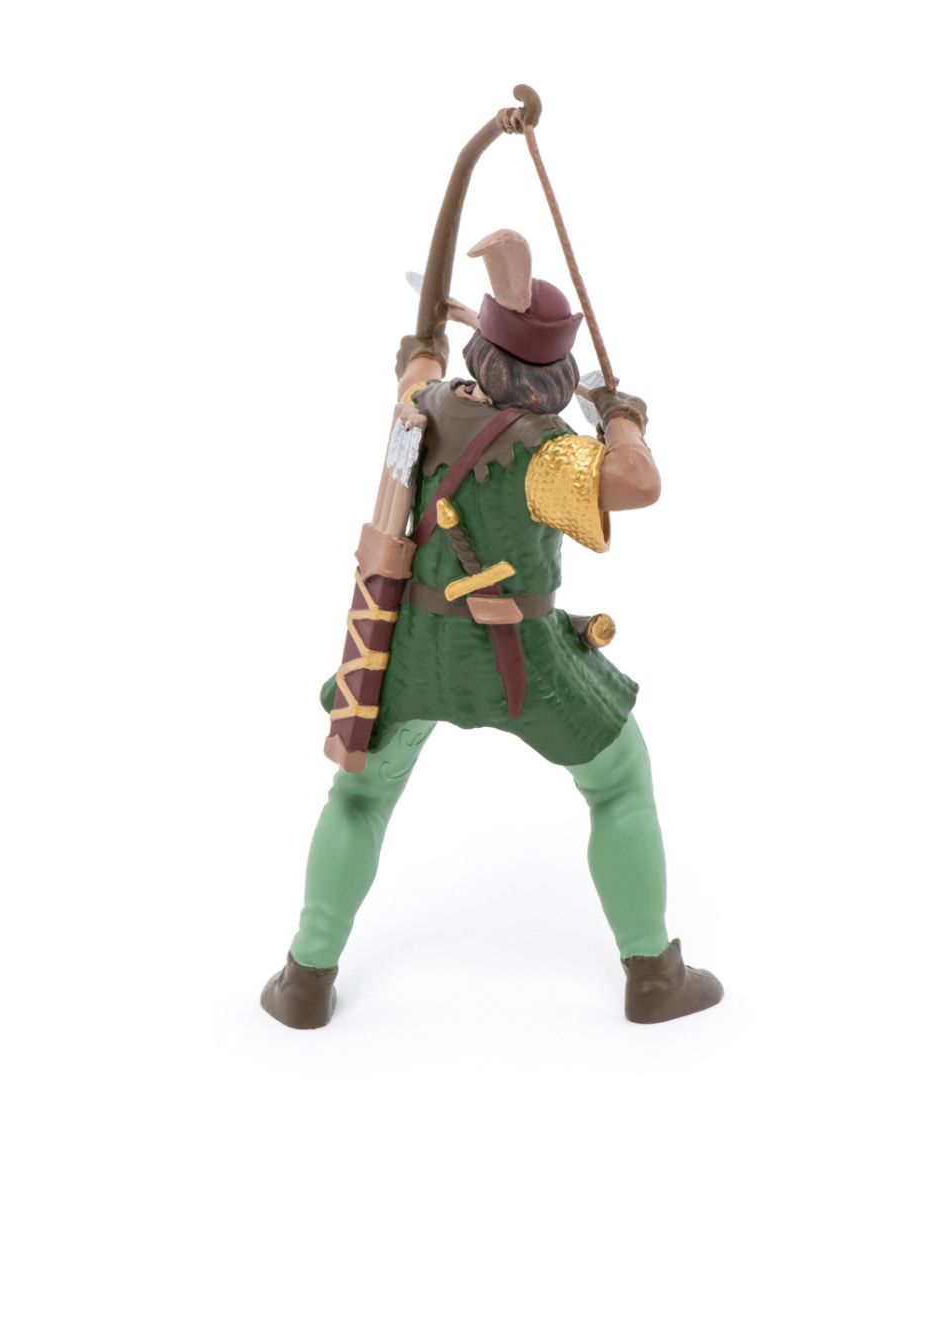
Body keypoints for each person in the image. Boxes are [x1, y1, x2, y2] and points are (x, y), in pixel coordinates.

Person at [260, 230, 723, 1028]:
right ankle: (653, 975)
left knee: (359, 795)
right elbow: (639, 481)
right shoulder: (549, 456)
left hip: (408, 650)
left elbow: (417, 368)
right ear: (555, 379)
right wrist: (622, 417)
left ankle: (305, 979)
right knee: (618, 782)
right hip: (521, 663)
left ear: (482, 357)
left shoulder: (421, 407)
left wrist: (424, 343)